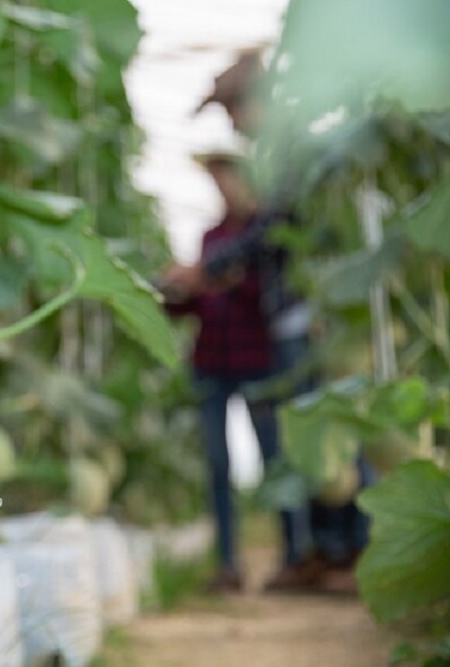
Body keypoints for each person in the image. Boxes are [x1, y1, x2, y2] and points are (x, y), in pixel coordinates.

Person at [166, 49, 368, 594]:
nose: (233, 125)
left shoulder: (291, 150)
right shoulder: (281, 156)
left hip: (309, 319)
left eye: (233, 111)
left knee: (331, 441)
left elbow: (277, 226)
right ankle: (326, 553)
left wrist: (214, 268)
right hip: (281, 328)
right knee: (312, 444)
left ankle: (347, 550)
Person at [162, 153, 306, 593]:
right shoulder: (211, 237)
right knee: (217, 465)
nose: (223, 189)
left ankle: (294, 558)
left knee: (273, 458)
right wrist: (178, 290)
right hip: (211, 364)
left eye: (227, 179)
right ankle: (228, 565)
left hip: (257, 361)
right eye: (216, 182)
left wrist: (209, 279)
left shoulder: (262, 237)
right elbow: (192, 299)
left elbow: (257, 290)